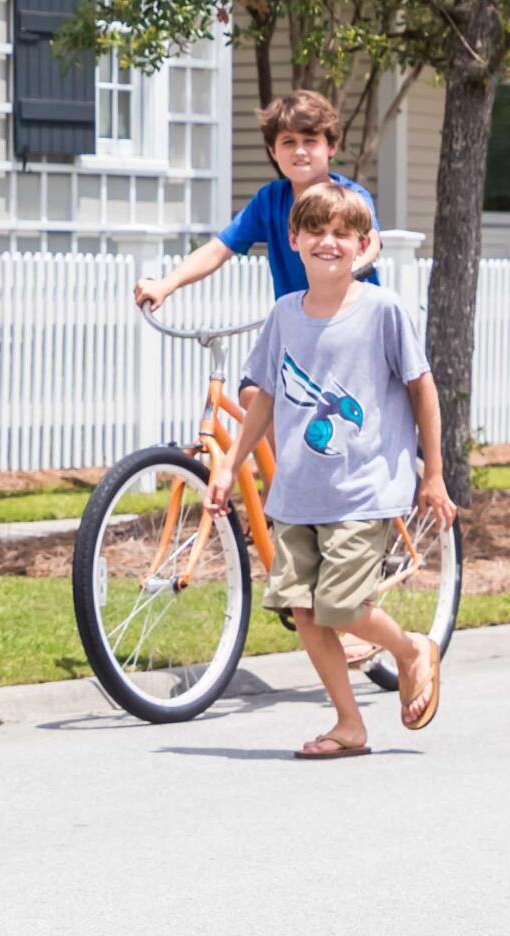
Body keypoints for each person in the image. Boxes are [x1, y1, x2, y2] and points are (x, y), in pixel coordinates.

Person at [207, 181, 454, 757]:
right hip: (297, 492)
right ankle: (349, 724)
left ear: (363, 245)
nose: (328, 242)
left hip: (363, 489)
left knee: (340, 606)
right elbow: (263, 397)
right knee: (305, 611)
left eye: (342, 233)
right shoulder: (284, 315)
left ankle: (412, 647)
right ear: (293, 239)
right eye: (315, 230)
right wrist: (229, 465)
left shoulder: (383, 311)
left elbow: (424, 389)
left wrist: (434, 473)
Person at [134, 88, 378, 310]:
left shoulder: (351, 196)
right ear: (273, 151)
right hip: (298, 324)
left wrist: (344, 273)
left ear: (331, 147)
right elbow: (219, 249)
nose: (300, 151)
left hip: (354, 318)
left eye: (310, 141)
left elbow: (371, 244)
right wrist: (167, 284)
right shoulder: (270, 200)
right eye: (288, 142)